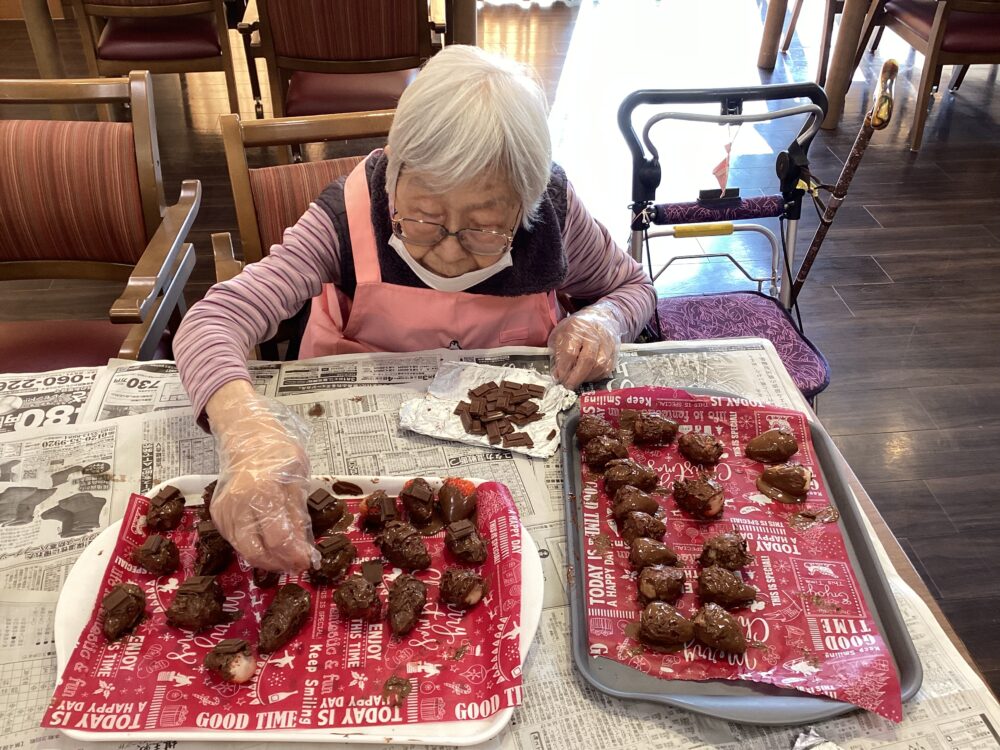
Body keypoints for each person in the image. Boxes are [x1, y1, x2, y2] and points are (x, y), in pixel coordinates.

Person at [175, 45, 655, 572]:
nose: (449, 251)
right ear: (393, 176)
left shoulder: (553, 216)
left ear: (526, 205)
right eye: (423, 218)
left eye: (484, 228)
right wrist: (245, 429)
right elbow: (213, 319)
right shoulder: (347, 217)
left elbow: (632, 287)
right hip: (354, 462)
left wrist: (601, 319)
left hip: (505, 457)